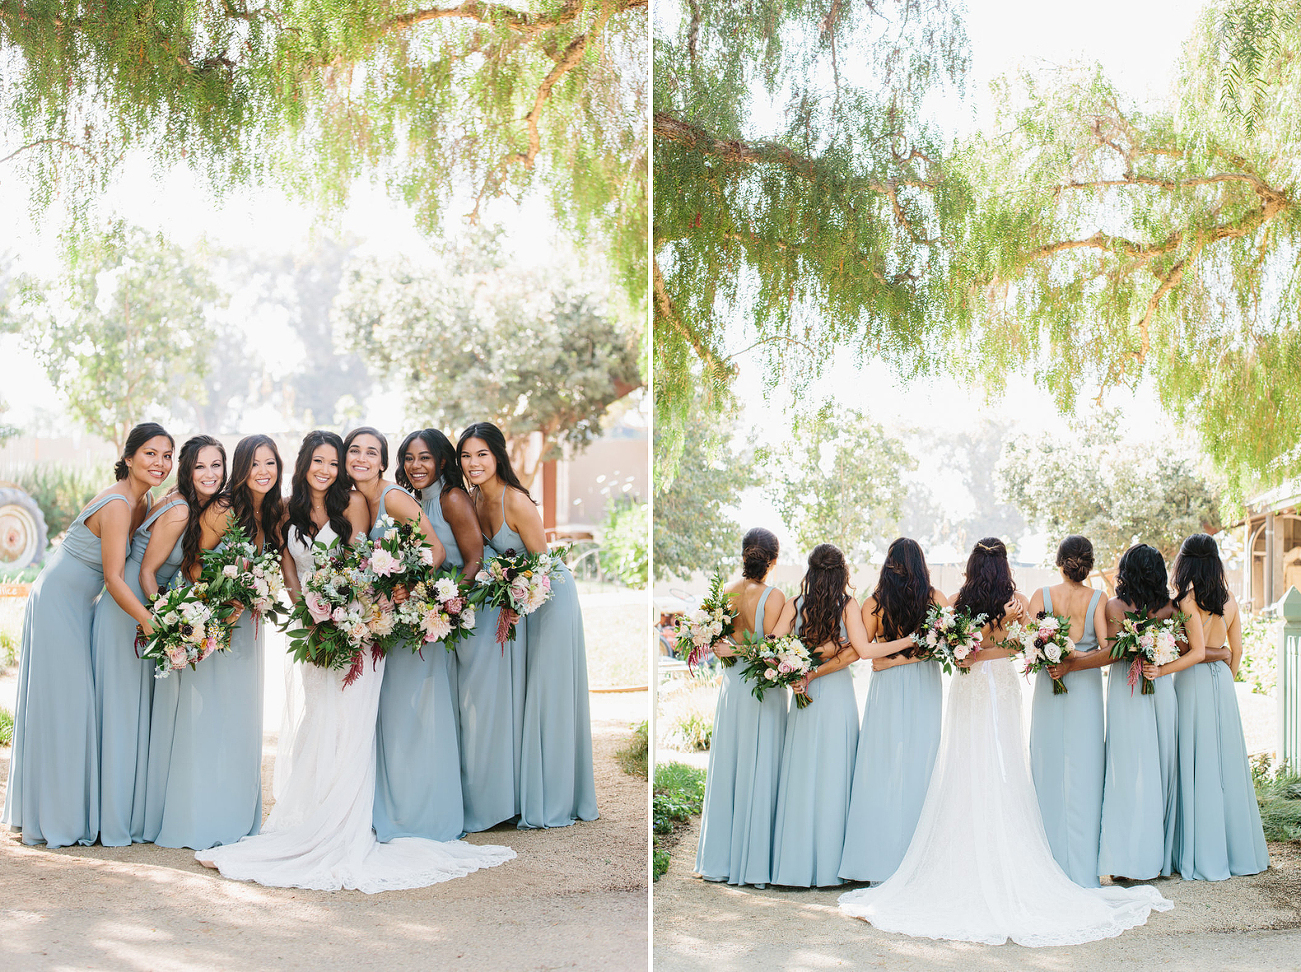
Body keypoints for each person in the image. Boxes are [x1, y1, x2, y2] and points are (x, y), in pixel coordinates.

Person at [196, 428, 512, 892]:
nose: (325, 470)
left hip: (359, 631)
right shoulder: (287, 510)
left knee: (353, 724)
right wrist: (309, 611)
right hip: (315, 634)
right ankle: (315, 817)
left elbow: (366, 563)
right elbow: (288, 568)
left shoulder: (354, 504)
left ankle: (346, 824)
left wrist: (363, 606)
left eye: (332, 462)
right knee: (320, 722)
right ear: (304, 464)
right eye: (317, 462)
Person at [839, 538, 1174, 947]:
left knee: (970, 762)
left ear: (973, 566)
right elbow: (1017, 646)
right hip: (1000, 682)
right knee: (1002, 763)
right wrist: (1005, 624)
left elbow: (965, 654)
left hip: (974, 686)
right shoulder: (1013, 599)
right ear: (1003, 568)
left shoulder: (963, 599)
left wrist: (981, 639)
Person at [3, 423, 173, 847]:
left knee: (76, 706)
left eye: (168, 456)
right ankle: (57, 816)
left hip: (83, 606)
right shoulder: (118, 504)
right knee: (66, 707)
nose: (160, 463)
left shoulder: (145, 499)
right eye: (151, 454)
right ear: (129, 458)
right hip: (60, 602)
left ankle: (70, 808)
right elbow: (115, 579)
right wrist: (153, 623)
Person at [461, 422, 598, 829]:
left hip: (549, 599)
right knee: (519, 697)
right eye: (467, 455)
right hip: (515, 602)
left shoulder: (516, 502)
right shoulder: (471, 498)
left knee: (546, 696)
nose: (474, 463)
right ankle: (517, 794)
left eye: (482, 454)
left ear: (498, 455)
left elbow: (543, 565)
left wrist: (521, 597)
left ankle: (553, 799)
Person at [839, 537, 945, 884]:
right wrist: (911, 651)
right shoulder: (933, 599)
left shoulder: (874, 603)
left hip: (888, 686)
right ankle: (913, 857)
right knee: (920, 763)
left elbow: (870, 651)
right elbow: (938, 645)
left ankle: (880, 858)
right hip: (923, 684)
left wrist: (889, 660)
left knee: (882, 765)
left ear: (889, 563)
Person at [1169, 533, 1269, 880]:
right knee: (1226, 764)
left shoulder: (1185, 600)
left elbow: (1187, 651)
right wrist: (1224, 678)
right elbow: (1235, 651)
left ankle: (1198, 848)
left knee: (1195, 760)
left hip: (1191, 679)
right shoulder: (1230, 600)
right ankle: (1236, 849)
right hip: (1222, 682)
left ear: (1185, 562)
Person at [694, 527, 787, 887]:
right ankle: (755, 861)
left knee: (730, 768)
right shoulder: (776, 597)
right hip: (764, 691)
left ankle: (722, 858)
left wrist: (731, 649)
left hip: (733, 689)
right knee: (761, 766)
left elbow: (715, 639)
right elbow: (774, 649)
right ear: (773, 560)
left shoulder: (725, 593)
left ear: (744, 555)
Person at [1025, 535, 1108, 887]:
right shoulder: (1099, 599)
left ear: (1060, 562)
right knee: (1085, 770)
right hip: (1085, 688)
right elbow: (1108, 649)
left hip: (1050, 683)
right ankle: (1083, 864)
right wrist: (1077, 663)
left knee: (1046, 767)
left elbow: (1027, 643)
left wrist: (1055, 661)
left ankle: (1045, 861)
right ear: (1087, 563)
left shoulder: (1041, 596)